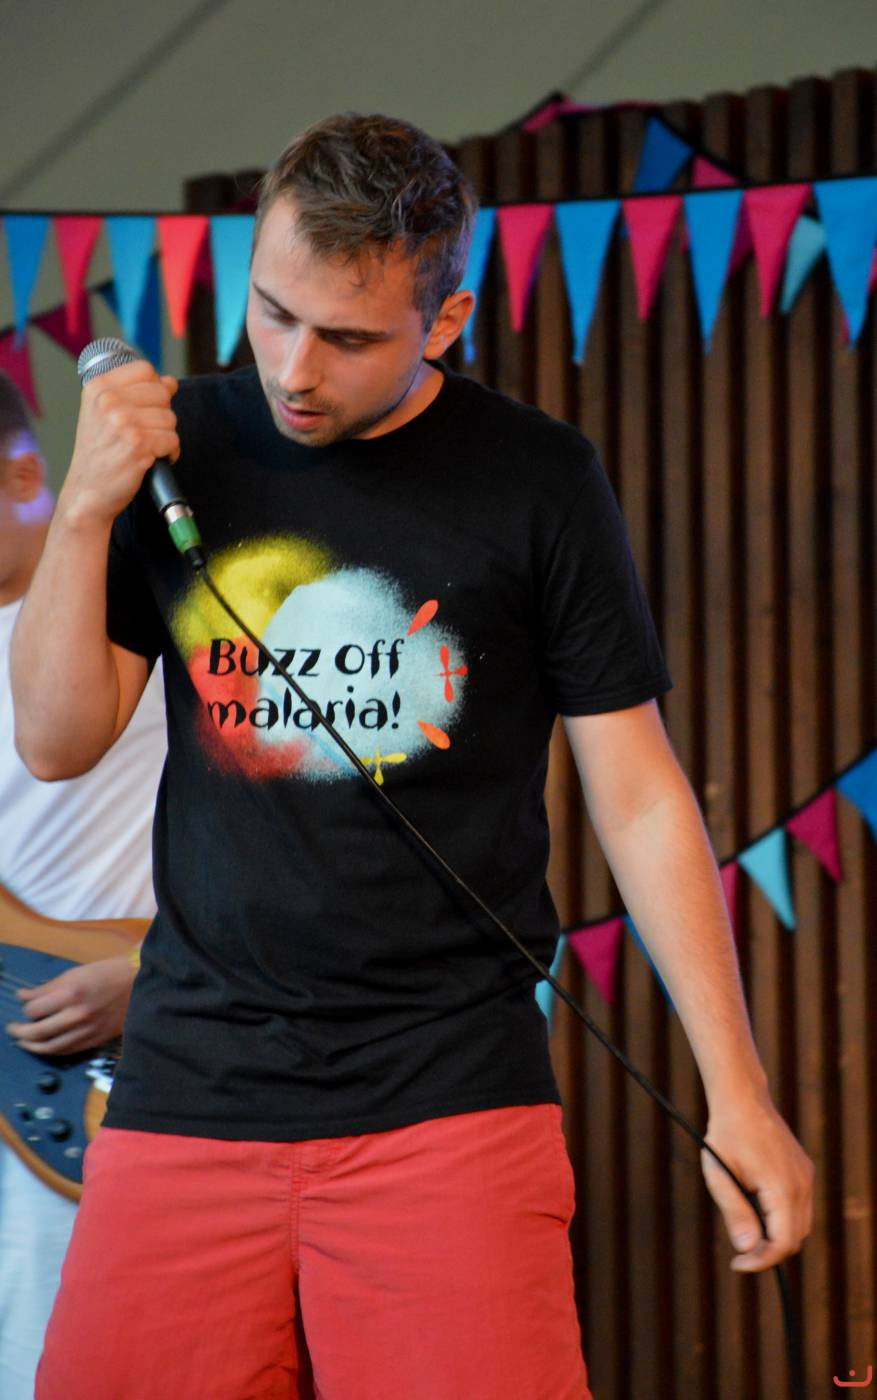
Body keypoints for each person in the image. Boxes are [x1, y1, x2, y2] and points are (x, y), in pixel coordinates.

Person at [12, 113, 813, 1400]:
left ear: (443, 319)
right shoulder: (180, 445)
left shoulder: (537, 476)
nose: (293, 369)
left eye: (346, 337)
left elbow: (638, 794)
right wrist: (88, 510)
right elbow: (55, 741)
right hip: (189, 1087)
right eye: (273, 313)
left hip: (448, 1098)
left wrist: (740, 1091)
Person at [0, 373, 166, 1400]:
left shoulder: (125, 614)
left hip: (103, 1080)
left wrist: (160, 972)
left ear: (26, 475)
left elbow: (285, 836)